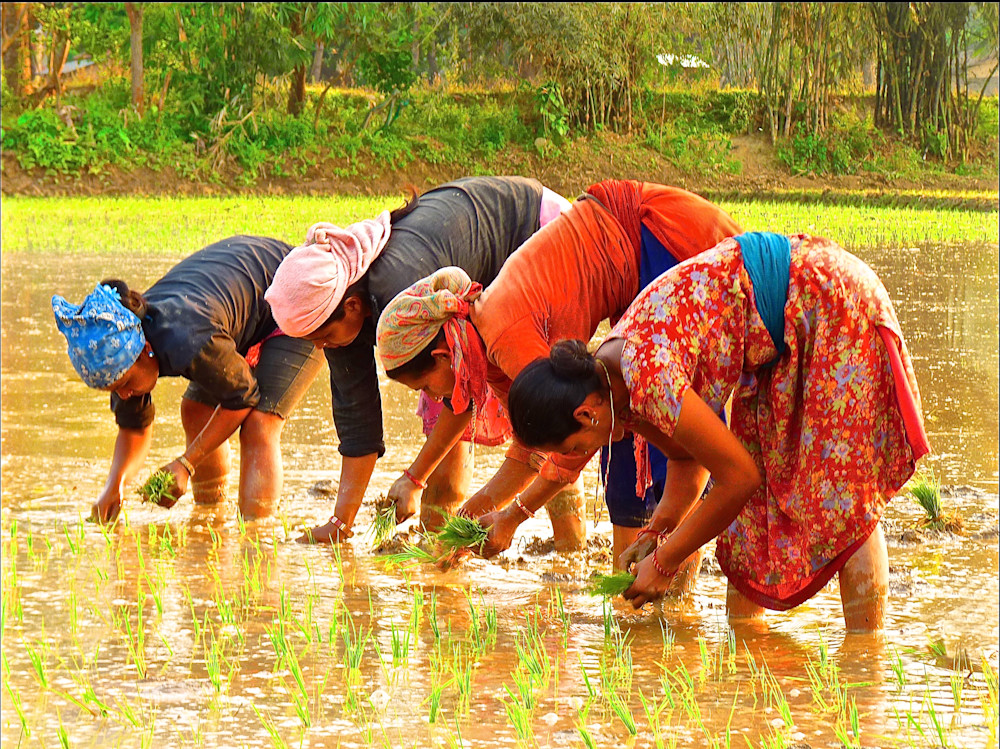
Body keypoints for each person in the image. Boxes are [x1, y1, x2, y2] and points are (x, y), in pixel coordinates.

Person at [505, 232, 930, 631]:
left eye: (577, 447)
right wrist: (658, 530)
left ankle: (865, 655)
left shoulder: (645, 373)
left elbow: (738, 478)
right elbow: (688, 457)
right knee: (752, 517)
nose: (587, 452)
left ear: (585, 415)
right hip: (775, 340)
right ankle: (747, 645)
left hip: (827, 303)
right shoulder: (616, 382)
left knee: (840, 497)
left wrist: (668, 560)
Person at [375, 180, 742, 567]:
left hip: (660, 239)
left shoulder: (502, 333)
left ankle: (674, 593)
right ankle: (636, 593)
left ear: (441, 355)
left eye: (427, 387)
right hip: (635, 263)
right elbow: (535, 445)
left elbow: (571, 437)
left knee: (669, 436)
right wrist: (480, 514)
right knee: (624, 438)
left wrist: (513, 516)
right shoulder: (486, 345)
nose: (435, 398)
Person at [264, 176, 577, 543]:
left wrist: (415, 478)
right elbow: (357, 416)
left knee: (551, 417)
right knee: (443, 429)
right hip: (463, 284)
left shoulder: (402, 291)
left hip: (537, 234)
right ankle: (444, 555)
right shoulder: (343, 309)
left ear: (350, 307)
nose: (320, 348)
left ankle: (568, 555)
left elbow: (461, 388)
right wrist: (340, 524)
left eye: (321, 337)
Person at [51, 235, 325, 523]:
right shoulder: (123, 354)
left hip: (295, 294)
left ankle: (256, 535)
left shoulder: (188, 338)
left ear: (144, 350)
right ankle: (210, 516)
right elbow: (134, 429)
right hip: (234, 310)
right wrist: (115, 486)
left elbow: (243, 398)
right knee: (196, 411)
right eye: (113, 389)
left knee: (259, 424)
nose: (123, 394)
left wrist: (185, 464)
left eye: (123, 384)